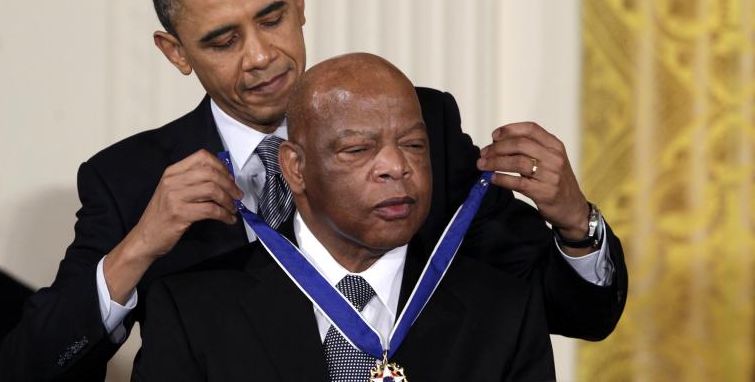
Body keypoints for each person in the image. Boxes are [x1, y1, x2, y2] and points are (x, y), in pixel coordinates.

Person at [0, 0, 626, 380]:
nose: (262, 55)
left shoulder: (417, 126)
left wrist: (577, 227)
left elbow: (569, 315)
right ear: (176, 51)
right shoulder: (131, 177)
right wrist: (137, 249)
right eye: (223, 38)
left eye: (271, 18)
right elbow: (28, 369)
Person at [133, 52, 556, 382]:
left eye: (413, 145)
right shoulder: (193, 313)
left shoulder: (504, 312)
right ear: (295, 168)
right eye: (358, 150)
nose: (395, 166)